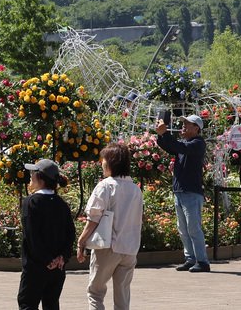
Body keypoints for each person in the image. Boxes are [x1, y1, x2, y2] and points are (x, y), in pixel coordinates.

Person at [77, 142, 144, 310]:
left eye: (104, 160)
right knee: (122, 297)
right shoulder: (136, 190)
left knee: (95, 292)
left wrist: (82, 241)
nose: (102, 163)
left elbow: (94, 217)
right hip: (129, 248)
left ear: (111, 162)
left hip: (108, 246)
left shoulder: (106, 186)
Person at [18, 158, 76, 310]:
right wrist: (62, 257)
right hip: (57, 268)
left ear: (40, 178)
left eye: (33, 173)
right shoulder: (62, 204)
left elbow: (32, 236)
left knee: (27, 304)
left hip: (36, 267)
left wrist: (47, 260)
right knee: (51, 304)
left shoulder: (31, 203)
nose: (31, 176)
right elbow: (70, 233)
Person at [156, 113, 210, 272]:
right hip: (180, 191)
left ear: (196, 128)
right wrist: (160, 135)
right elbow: (170, 146)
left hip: (191, 192)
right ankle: (190, 259)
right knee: (183, 229)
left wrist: (165, 133)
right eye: (184, 123)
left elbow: (180, 147)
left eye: (188, 124)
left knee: (193, 228)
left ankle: (202, 261)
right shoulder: (185, 143)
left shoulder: (198, 143)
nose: (184, 126)